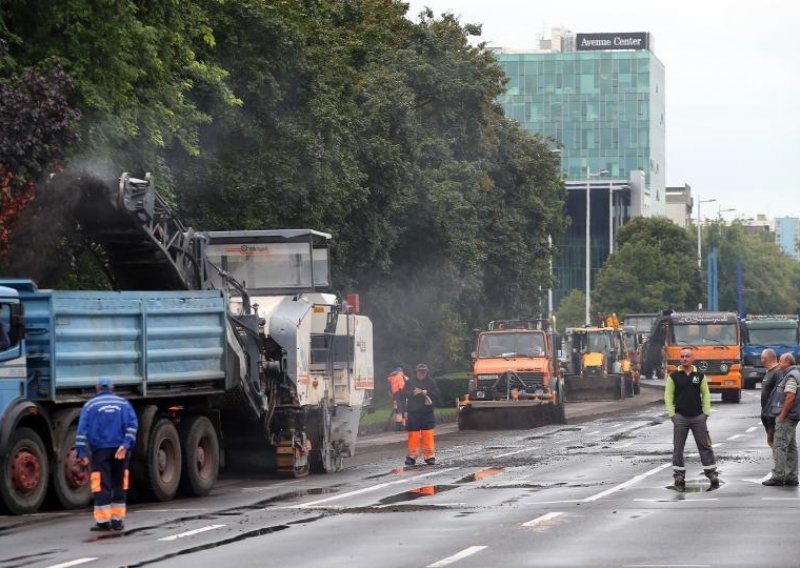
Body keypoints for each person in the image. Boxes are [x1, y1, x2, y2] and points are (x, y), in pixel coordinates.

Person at [76, 376, 138, 531]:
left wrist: (82, 453)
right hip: (120, 450)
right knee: (119, 483)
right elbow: (132, 425)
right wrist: (125, 445)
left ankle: (103, 522)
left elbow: (81, 432)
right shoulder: (124, 404)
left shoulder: (90, 406)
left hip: (100, 451)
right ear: (112, 388)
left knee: (101, 484)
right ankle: (117, 521)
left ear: (97, 389)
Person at [664, 347, 719, 490]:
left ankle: (711, 473)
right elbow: (668, 397)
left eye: (687, 356)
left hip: (698, 417)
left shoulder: (699, 376)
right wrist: (672, 415)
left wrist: (705, 413)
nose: (684, 359)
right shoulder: (674, 376)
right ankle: (679, 475)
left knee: (705, 446)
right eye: (682, 356)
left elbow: (705, 394)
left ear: (693, 359)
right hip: (680, 417)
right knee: (678, 447)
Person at [763, 353, 800, 486]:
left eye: (781, 361)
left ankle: (778, 476)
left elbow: (790, 397)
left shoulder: (791, 376)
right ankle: (791, 476)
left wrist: (782, 416)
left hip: (787, 417)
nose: (779, 364)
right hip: (792, 416)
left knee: (780, 445)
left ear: (787, 363)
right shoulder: (792, 374)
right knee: (791, 447)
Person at [402, 363, 440, 466]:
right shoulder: (410, 382)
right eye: (420, 371)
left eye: (424, 371)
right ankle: (411, 457)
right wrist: (413, 393)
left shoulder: (431, 382)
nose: (422, 373)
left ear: (427, 372)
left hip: (427, 412)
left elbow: (437, 394)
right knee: (413, 435)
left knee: (427, 434)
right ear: (416, 372)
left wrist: (427, 392)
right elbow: (403, 394)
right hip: (413, 412)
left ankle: (429, 457)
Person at [760, 348, 780, 448]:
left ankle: (780, 463)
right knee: (772, 442)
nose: (761, 360)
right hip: (766, 413)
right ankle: (779, 461)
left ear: (765, 359)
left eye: (762, 358)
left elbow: (778, 394)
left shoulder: (777, 372)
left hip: (772, 414)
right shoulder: (769, 372)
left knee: (775, 443)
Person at [385, 366, 408, 431]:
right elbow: (406, 385)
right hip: (402, 393)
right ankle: (405, 425)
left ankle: (399, 426)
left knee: (398, 410)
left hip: (395, 394)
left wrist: (392, 396)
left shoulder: (391, 377)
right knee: (405, 409)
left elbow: (388, 388)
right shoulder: (402, 376)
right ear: (401, 371)